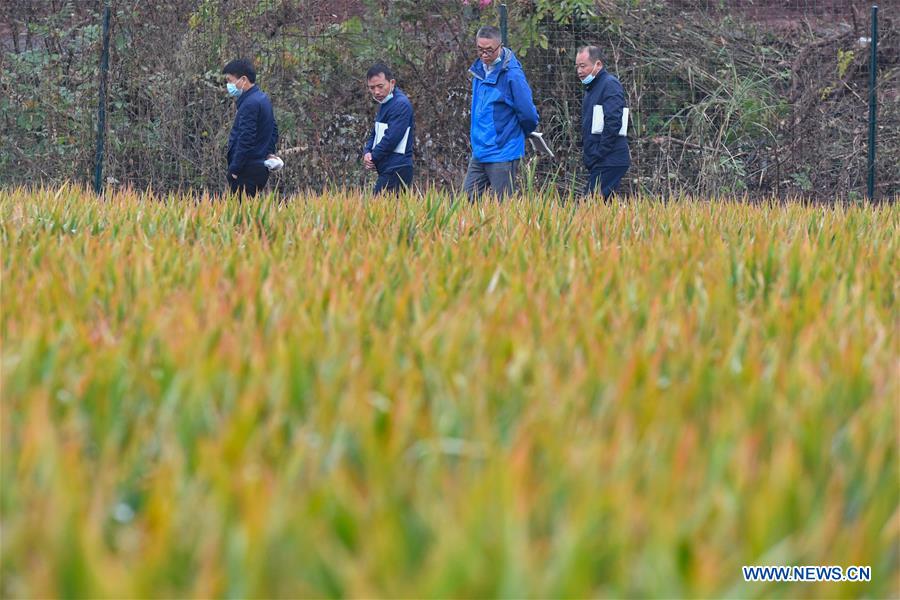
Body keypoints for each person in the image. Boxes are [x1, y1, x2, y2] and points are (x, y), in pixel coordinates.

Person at [463, 25, 539, 200]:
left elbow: (528, 115)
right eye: (480, 49)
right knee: (464, 203)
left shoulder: (513, 76)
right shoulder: (479, 70)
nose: (484, 55)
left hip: (503, 153)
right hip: (480, 151)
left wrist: (519, 134)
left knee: (503, 208)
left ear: (500, 46)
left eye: (489, 50)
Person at [575, 46, 631, 200]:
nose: (579, 71)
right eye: (577, 66)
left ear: (598, 65)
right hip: (603, 159)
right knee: (604, 211)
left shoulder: (609, 84)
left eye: (583, 66)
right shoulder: (592, 88)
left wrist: (598, 153)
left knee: (589, 206)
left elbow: (613, 122)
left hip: (609, 159)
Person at [222, 59, 279, 197]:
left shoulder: (250, 104)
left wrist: (235, 169)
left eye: (230, 80)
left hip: (246, 171)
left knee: (239, 215)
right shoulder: (262, 99)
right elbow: (274, 129)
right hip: (260, 168)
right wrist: (269, 152)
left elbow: (245, 138)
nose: (228, 85)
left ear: (243, 79)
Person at [362, 63, 415, 195]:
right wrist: (367, 152)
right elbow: (375, 132)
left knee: (376, 210)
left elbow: (391, 139)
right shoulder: (385, 102)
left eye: (380, 86)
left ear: (392, 83)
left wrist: (373, 158)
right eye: (372, 88)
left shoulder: (400, 104)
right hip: (387, 168)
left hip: (397, 169)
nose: (376, 92)